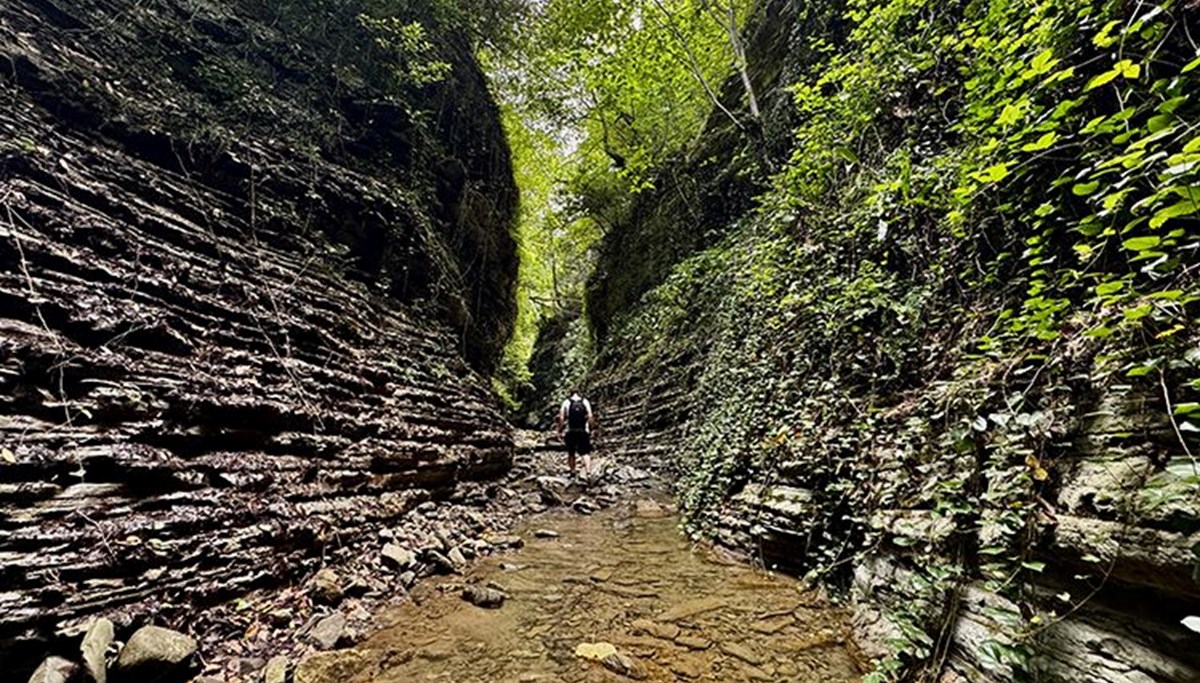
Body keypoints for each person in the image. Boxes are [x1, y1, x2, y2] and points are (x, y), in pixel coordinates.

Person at [556, 390, 595, 477]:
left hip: (571, 430)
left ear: (570, 393)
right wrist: (592, 429)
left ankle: (573, 471)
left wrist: (559, 431)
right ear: (579, 393)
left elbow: (561, 417)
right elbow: (590, 416)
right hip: (583, 430)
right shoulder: (585, 401)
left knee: (571, 452)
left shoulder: (566, 402)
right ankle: (588, 472)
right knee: (585, 452)